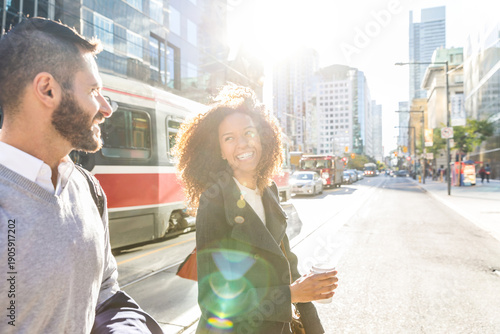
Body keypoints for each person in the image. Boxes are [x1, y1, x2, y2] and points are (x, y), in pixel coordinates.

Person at [0, 18, 161, 333]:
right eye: (93, 90)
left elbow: (104, 293)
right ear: (48, 90)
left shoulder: (89, 190)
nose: (106, 108)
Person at [173, 85, 337, 333]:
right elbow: (212, 302)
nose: (241, 144)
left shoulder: (269, 189)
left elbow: (289, 269)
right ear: (219, 150)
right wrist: (291, 295)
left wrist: (313, 320)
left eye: (249, 133)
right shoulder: (213, 202)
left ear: (263, 137)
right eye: (229, 138)